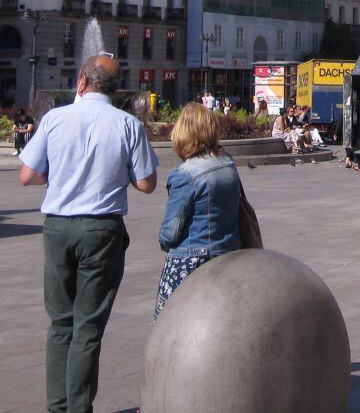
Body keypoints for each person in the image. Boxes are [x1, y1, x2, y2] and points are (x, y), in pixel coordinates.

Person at [18, 55, 158, 413]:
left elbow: (27, 176)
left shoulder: (54, 119)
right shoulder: (127, 124)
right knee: (88, 324)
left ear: (82, 82)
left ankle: (58, 406)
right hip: (101, 229)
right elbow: (146, 183)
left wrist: (62, 175)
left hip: (58, 226)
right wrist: (115, 173)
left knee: (60, 322)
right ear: (113, 90)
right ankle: (78, 407)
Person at [156, 103, 242, 319]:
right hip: (228, 254)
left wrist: (164, 242)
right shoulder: (227, 165)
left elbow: (170, 233)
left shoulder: (185, 174)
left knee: (169, 322)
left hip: (192, 259)